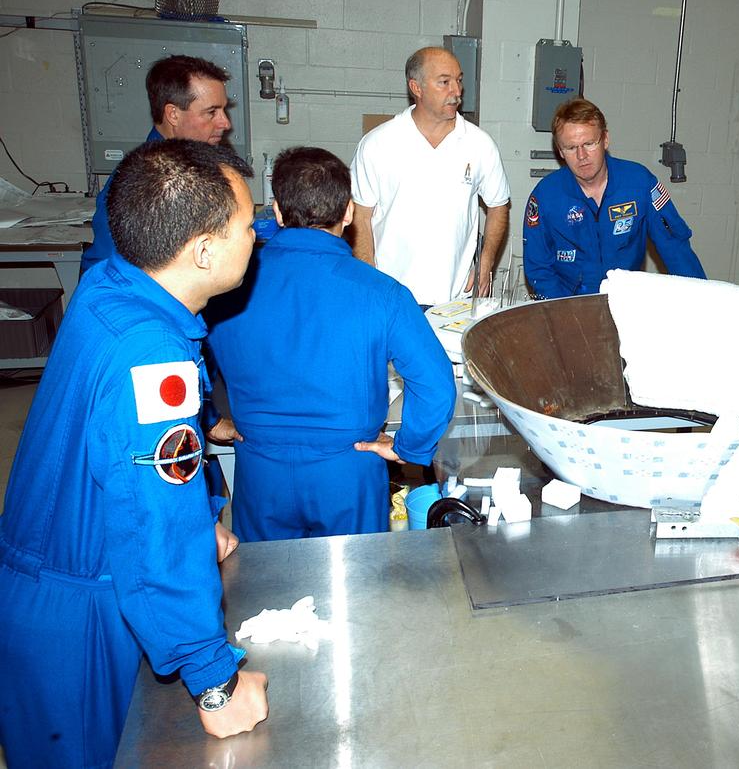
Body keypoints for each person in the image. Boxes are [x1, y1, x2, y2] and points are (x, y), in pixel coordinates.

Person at [0, 140, 268, 767]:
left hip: (52, 573)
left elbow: (124, 456)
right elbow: (155, 527)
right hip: (77, 616)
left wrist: (204, 518)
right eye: (248, 225)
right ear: (204, 251)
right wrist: (216, 683)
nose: (258, 236)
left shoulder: (109, 284)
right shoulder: (154, 360)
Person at [205, 147, 457, 542]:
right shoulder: (382, 293)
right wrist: (410, 446)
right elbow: (437, 384)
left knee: (266, 595)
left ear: (278, 211)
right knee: (354, 594)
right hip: (348, 469)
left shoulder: (225, 285)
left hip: (260, 467)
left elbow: (182, 359)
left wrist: (208, 420)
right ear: (348, 213)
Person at [350, 46, 511, 306]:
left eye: (459, 81)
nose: (456, 92)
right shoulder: (378, 144)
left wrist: (487, 261)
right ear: (417, 87)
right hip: (392, 298)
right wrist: (370, 280)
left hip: (456, 299)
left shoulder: (479, 144)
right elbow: (361, 215)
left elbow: (498, 205)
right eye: (444, 82)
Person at [522, 98, 705, 297]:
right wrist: (566, 314)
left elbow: (674, 247)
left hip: (625, 301)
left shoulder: (639, 183)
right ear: (560, 151)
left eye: (590, 143)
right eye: (571, 148)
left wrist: (700, 298)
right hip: (568, 303)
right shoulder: (546, 197)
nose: (582, 155)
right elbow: (539, 268)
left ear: (605, 139)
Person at [82, 54, 234, 273]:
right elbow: (113, 268)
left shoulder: (192, 165)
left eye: (224, 110)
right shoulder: (143, 181)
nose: (225, 123)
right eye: (211, 112)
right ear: (173, 114)